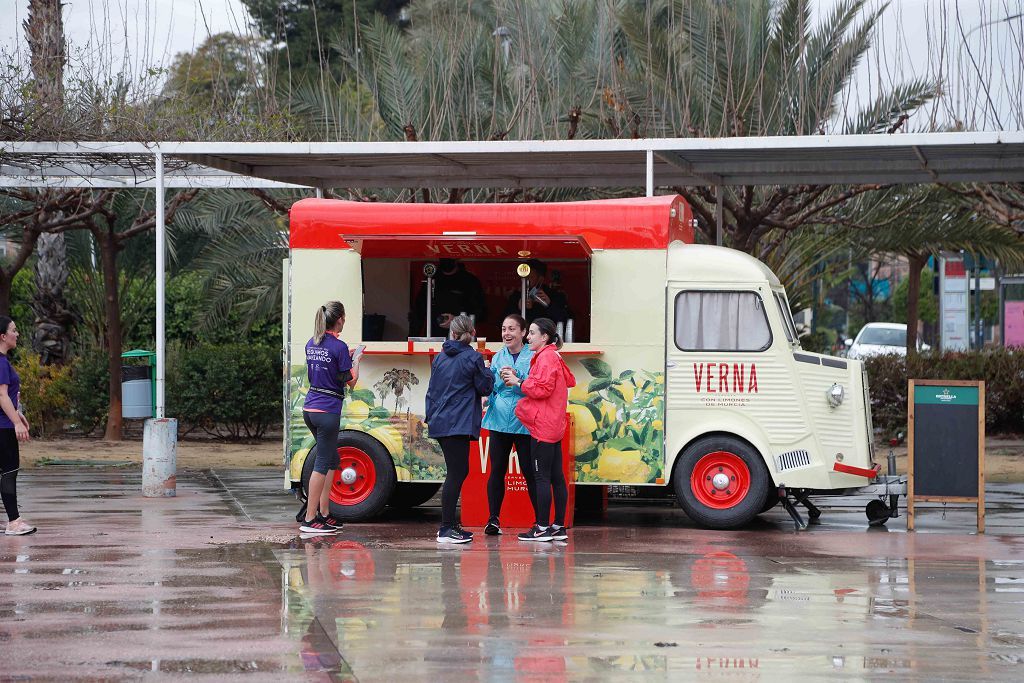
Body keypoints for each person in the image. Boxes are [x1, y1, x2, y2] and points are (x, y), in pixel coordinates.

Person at [503, 317, 576, 543]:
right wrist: (523, 378)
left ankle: (542, 528)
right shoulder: (554, 356)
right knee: (557, 478)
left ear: (544, 337)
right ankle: (558, 526)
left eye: (532, 333)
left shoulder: (545, 358)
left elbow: (541, 389)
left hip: (543, 427)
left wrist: (517, 382)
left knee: (541, 478)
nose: (528, 337)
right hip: (554, 426)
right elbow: (562, 382)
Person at [425, 314, 494, 543]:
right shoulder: (473, 358)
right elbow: (484, 387)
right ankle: (446, 528)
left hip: (441, 420)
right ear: (471, 333)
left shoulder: (441, 357)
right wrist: (488, 370)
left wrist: (431, 416)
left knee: (456, 472)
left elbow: (432, 390)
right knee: (457, 473)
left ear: (452, 333)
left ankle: (450, 526)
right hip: (459, 422)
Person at [300, 301, 360, 535]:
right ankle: (310, 519)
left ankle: (325, 514)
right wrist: (356, 361)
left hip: (310, 408)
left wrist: (346, 359)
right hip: (328, 411)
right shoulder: (339, 347)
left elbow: (320, 371)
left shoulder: (310, 343)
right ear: (341, 319)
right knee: (323, 463)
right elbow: (350, 381)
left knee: (332, 459)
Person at [481, 314, 536, 536]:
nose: (507, 334)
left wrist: (517, 377)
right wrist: (486, 389)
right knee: (497, 472)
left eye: (512, 329)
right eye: (504, 329)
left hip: (524, 422)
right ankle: (493, 520)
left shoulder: (532, 356)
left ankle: (539, 522)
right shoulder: (498, 356)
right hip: (498, 420)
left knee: (530, 473)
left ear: (523, 332)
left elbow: (536, 385)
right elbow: (492, 387)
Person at [0, 316, 33, 536]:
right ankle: (14, 522)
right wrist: (14, 422)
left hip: (4, 423)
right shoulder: (1, 362)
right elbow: (1, 395)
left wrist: (18, 414)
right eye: (14, 330)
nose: (17, 334)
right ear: (3, 336)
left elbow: (8, 396)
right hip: (3, 427)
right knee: (9, 471)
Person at [410, 258, 487, 336]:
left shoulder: (470, 281)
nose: (446, 259)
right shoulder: (431, 280)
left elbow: (481, 312)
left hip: (462, 338)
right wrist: (411, 338)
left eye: (449, 257)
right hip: (435, 337)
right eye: (443, 256)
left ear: (456, 258)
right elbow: (419, 312)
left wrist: (457, 321)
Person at [505, 259, 571, 326]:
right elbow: (503, 323)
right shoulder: (516, 297)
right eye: (523, 277)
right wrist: (518, 308)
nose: (525, 280)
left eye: (529, 277)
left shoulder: (555, 295)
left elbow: (566, 321)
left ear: (540, 279)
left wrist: (549, 305)